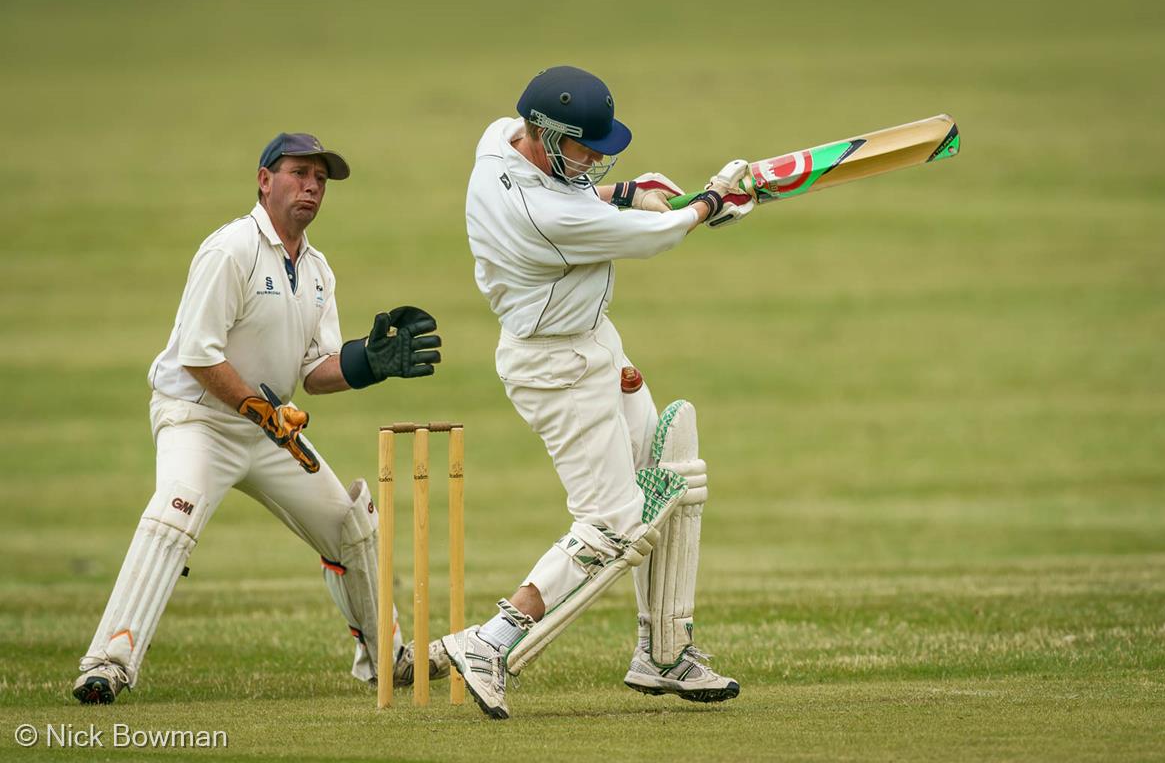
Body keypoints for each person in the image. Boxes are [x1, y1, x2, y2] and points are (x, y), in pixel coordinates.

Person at [73, 133, 449, 704]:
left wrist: (368, 363)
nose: (312, 187)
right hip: (198, 418)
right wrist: (258, 410)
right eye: (299, 173)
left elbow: (315, 370)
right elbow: (199, 356)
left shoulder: (318, 269)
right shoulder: (231, 250)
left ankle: (388, 657)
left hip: (270, 428)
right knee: (178, 509)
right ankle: (106, 663)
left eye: (320, 179)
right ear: (264, 179)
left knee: (349, 522)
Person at [444, 66, 754, 719]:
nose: (594, 160)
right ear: (544, 135)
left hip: (591, 342)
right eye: (585, 148)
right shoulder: (545, 213)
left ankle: (662, 653)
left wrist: (626, 189)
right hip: (555, 367)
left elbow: (599, 201)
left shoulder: (499, 138)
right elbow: (659, 236)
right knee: (612, 522)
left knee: (667, 474)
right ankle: (490, 643)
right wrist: (713, 202)